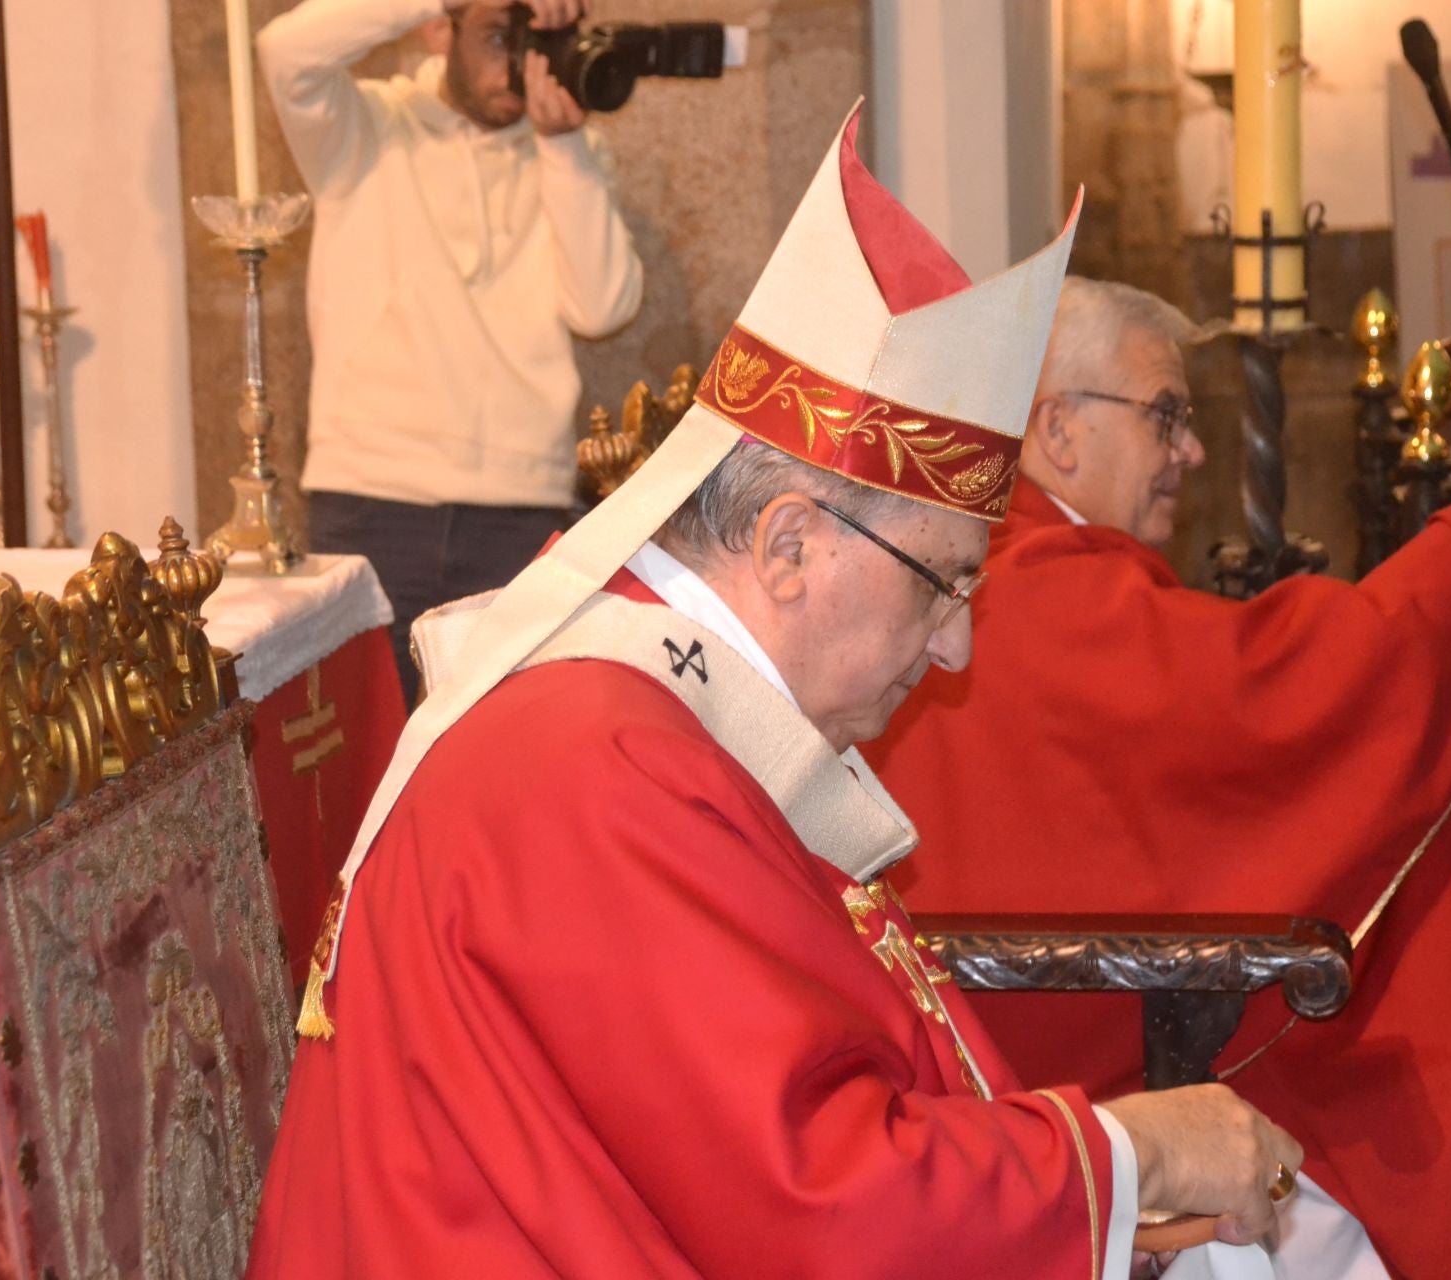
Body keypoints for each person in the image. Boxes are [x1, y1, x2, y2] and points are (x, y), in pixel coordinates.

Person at [247, 108, 1304, 1280]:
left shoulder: (664, 714)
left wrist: (1082, 1214)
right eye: (943, 583)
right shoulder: (598, 766)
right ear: (789, 543)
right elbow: (819, 1206)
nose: (955, 650)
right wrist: (1131, 1156)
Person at [865, 277, 1451, 1279]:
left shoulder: (1004, 566)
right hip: (1081, 1078)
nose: (1192, 452)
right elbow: (1270, 704)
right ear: (1058, 430)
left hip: (1001, 1069)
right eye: (1165, 414)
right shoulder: (1040, 590)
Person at [257, 0, 642, 703]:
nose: (517, 66)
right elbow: (287, 49)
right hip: (372, 502)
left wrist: (563, 147)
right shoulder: (365, 126)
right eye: (500, 34)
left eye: (537, 42)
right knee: (372, 757)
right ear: (441, 29)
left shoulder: (569, 149)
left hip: (519, 509)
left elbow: (603, 307)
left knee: (504, 760)